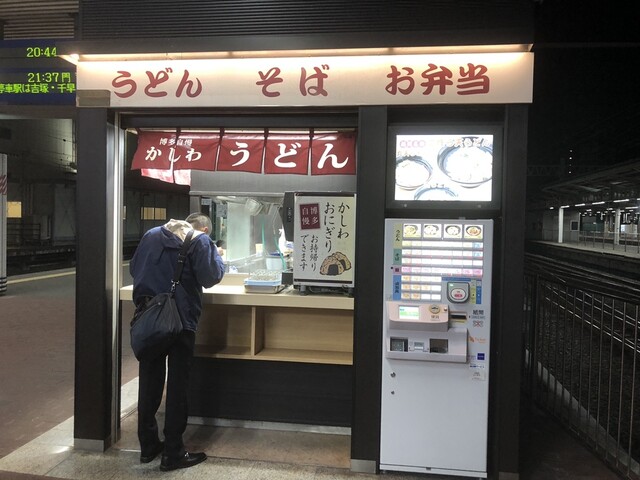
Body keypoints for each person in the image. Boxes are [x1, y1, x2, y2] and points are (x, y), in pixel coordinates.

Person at [130, 213, 225, 471]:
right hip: (181, 320)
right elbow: (211, 277)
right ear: (204, 228)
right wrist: (218, 257)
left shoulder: (151, 235)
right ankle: (173, 452)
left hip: (149, 318)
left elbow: (135, 268)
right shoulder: (200, 241)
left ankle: (148, 446)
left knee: (149, 381)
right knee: (177, 386)